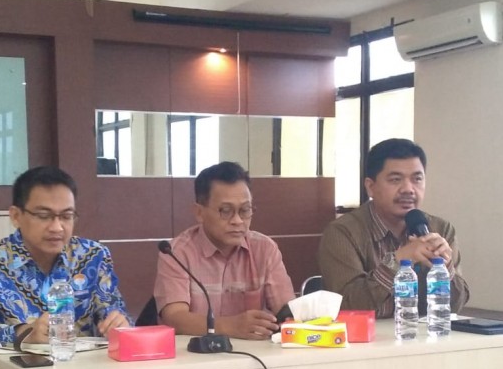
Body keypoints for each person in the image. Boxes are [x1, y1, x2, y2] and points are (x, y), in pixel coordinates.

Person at [0, 166, 132, 355]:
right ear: (16, 216)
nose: (57, 227)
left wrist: (119, 324)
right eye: (43, 216)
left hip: (80, 368)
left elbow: (114, 312)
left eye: (66, 216)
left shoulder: (93, 256)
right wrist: (25, 333)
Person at [318, 138, 469, 318]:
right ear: (370, 187)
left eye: (417, 179)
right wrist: (398, 261)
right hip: (367, 335)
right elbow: (348, 305)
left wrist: (445, 268)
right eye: (396, 180)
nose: (408, 189)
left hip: (424, 333)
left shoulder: (440, 229)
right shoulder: (343, 233)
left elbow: (455, 307)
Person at [153, 161, 295, 340]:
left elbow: (287, 311)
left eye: (245, 210)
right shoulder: (176, 253)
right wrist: (229, 326)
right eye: (226, 211)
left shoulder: (264, 249)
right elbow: (174, 318)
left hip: (255, 353)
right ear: (199, 212)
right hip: (194, 353)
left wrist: (288, 318)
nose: (237, 221)